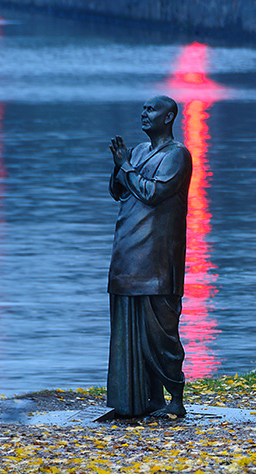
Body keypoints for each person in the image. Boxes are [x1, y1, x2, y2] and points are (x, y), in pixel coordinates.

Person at [106, 95, 192, 418]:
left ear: (169, 117)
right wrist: (119, 167)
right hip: (127, 254)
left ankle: (176, 397)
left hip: (156, 261)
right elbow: (121, 191)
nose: (144, 113)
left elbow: (153, 193)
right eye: (142, 109)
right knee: (132, 333)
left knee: (162, 334)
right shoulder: (139, 152)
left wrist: (126, 167)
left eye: (151, 110)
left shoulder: (177, 156)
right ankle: (147, 396)